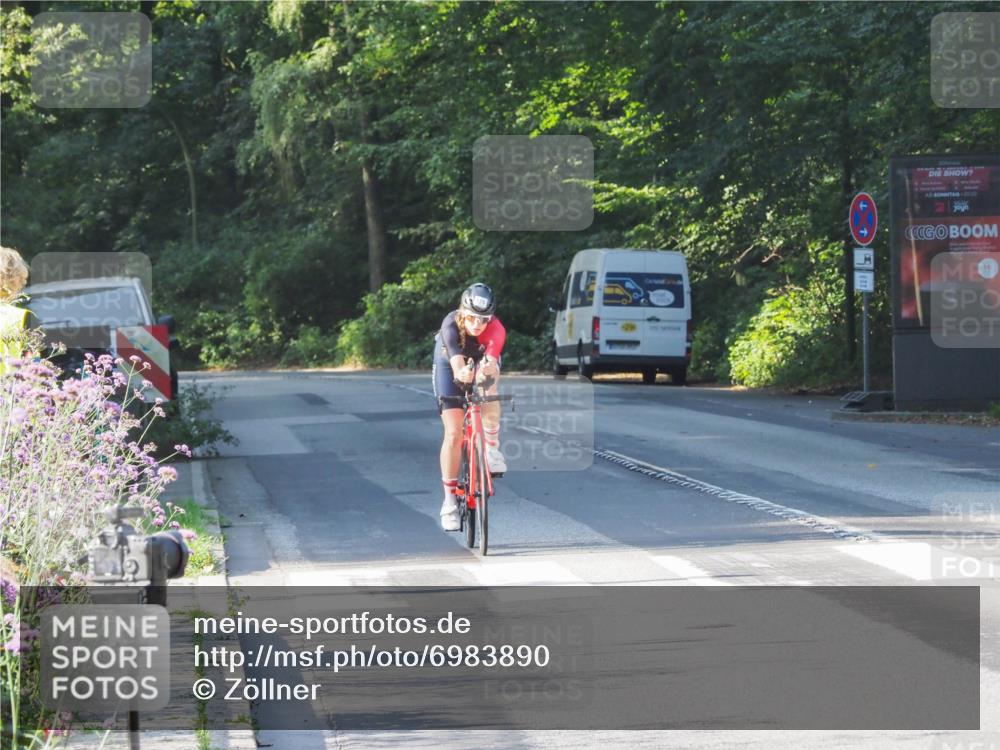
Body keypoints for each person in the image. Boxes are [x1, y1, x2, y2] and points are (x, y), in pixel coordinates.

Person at [433, 283, 506, 531]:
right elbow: (455, 361)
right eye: (472, 318)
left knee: (490, 386)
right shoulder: (451, 325)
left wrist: (488, 369)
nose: (477, 324)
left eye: (483, 320)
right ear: (463, 312)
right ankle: (450, 501)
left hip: (481, 358)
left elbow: (493, 360)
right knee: (454, 433)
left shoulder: (496, 329)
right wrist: (462, 372)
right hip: (449, 361)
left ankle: (492, 449)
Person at [0, 246, 30, 376]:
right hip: (11, 393)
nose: (23, 284)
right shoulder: (22, 317)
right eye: (21, 279)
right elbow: (35, 371)